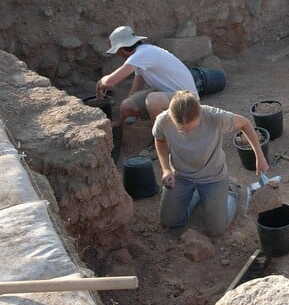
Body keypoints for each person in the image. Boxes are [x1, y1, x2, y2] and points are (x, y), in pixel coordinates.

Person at [154, 90, 269, 235]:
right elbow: (160, 140)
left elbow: (244, 123)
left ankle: (230, 190)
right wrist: (166, 169)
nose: (189, 133)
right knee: (170, 221)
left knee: (216, 230)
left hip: (213, 177)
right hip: (181, 176)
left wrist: (259, 155)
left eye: (192, 128)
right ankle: (196, 194)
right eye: (182, 130)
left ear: (200, 114)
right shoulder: (163, 121)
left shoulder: (215, 116)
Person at [96, 26, 198, 159]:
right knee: (126, 106)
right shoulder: (141, 56)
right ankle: (168, 123)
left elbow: (110, 81)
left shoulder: (142, 54)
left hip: (188, 100)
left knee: (153, 101)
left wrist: (100, 83)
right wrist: (120, 121)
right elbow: (136, 89)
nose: (118, 55)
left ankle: (164, 143)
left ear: (121, 49)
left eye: (117, 51)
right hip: (170, 95)